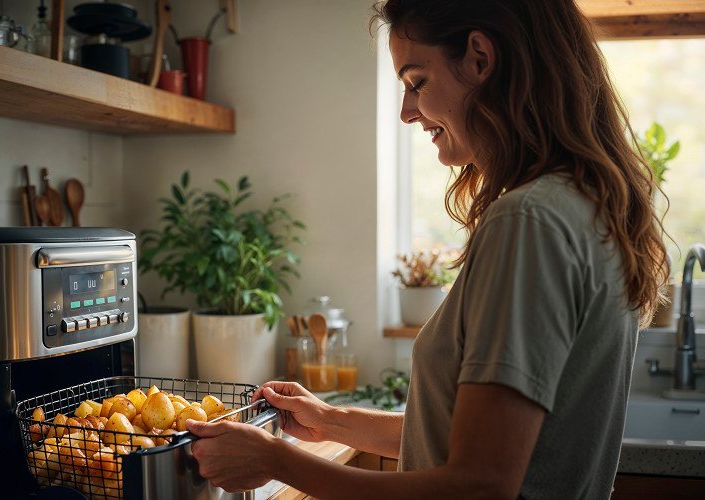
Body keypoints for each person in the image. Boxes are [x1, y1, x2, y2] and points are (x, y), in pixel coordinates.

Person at [186, 0, 669, 498]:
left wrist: (277, 461)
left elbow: (477, 487)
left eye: (417, 82)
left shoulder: (528, 221)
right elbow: (479, 446)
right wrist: (331, 420)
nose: (406, 112)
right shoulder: (585, 208)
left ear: (480, 58)